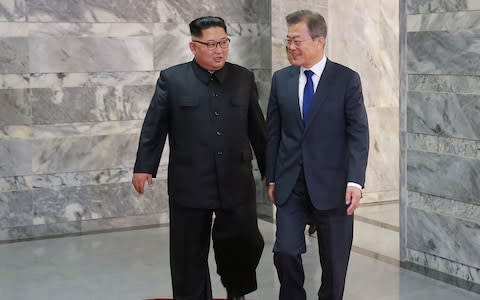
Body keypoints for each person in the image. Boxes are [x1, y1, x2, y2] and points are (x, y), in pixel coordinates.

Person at [132, 16, 266, 300]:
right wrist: (144, 167)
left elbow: (257, 127)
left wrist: (271, 172)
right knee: (187, 253)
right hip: (190, 183)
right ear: (193, 47)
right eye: (211, 44)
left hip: (235, 180)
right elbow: (154, 126)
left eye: (224, 43)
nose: (219, 50)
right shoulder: (173, 79)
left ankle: (236, 291)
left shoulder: (243, 77)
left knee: (245, 243)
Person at [266, 10, 369, 300]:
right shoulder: (281, 80)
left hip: (334, 185)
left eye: (297, 41)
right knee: (285, 251)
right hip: (290, 184)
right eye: (288, 41)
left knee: (334, 265)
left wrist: (355, 181)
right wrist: (272, 176)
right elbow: (274, 132)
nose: (291, 47)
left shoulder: (346, 79)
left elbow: (358, 133)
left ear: (319, 40)